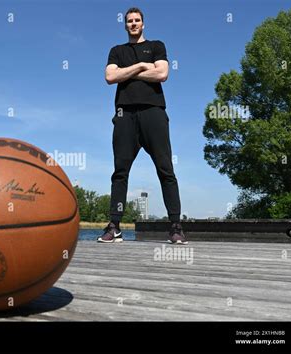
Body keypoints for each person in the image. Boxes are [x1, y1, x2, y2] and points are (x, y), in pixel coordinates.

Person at [97, 7, 188, 245]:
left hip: (153, 113)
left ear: (143, 24)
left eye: (137, 20)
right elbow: (109, 77)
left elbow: (163, 74)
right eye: (129, 21)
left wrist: (126, 73)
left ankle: (176, 226)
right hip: (124, 115)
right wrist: (141, 66)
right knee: (120, 172)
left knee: (165, 169)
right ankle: (114, 226)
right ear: (125, 25)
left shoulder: (157, 46)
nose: (133, 24)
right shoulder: (117, 51)